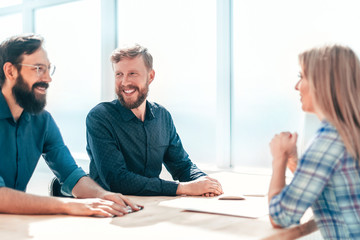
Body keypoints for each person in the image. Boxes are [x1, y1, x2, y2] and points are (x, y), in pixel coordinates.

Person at [0, 34, 142, 217]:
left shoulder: (42, 121)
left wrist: (104, 196)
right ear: (10, 71)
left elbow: (70, 174)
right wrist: (67, 205)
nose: (47, 79)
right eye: (38, 68)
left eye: (48, 69)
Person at [86, 44, 223, 197]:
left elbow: (182, 165)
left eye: (132, 73)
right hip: (109, 209)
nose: (124, 82)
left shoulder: (162, 117)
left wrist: (204, 182)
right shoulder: (100, 117)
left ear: (150, 76)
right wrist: (183, 188)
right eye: (119, 74)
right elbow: (117, 180)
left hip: (149, 206)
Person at [268, 45, 360, 239]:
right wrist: (295, 163)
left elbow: (281, 217)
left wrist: (279, 159)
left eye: (301, 76)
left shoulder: (328, 140)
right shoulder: (350, 133)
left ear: (321, 83)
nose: (296, 86)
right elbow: (328, 183)